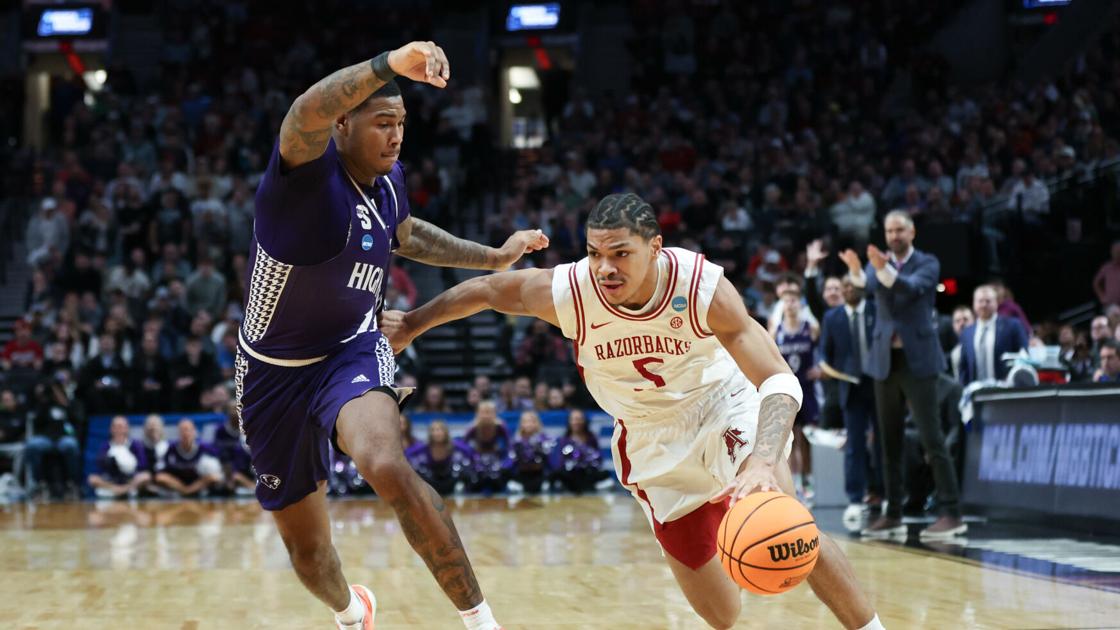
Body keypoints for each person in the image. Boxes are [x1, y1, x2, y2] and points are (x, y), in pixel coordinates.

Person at [384, 193, 883, 630]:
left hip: (722, 408)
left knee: (790, 526)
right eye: (595, 253)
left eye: (620, 253)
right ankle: (717, 517)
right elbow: (490, 292)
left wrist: (762, 457)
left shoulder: (699, 286)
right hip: (651, 443)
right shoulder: (572, 291)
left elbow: (778, 378)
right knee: (722, 613)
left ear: (655, 248)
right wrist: (412, 322)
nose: (605, 268)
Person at [234, 41, 546, 630]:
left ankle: (481, 621)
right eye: (382, 123)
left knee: (384, 462)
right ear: (344, 124)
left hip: (351, 350)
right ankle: (354, 613)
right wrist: (388, 64)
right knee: (307, 550)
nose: (396, 136)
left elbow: (408, 234)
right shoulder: (300, 181)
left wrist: (494, 259)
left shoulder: (388, 181)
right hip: (270, 373)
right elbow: (304, 111)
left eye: (401, 123)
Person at [839, 210, 965, 539]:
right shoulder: (877, 263)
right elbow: (865, 288)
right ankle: (892, 512)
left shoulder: (927, 262)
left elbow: (908, 288)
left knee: (931, 438)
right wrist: (855, 271)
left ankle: (952, 512)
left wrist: (880, 269)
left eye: (899, 230)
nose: (893, 236)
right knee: (888, 441)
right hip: (884, 361)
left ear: (912, 233)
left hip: (918, 361)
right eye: (889, 230)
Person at [820, 278, 882, 523]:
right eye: (844, 287)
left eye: (852, 286)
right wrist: (825, 366)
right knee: (854, 445)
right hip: (850, 386)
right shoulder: (832, 317)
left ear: (861, 287)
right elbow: (825, 351)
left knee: (883, 443)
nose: (848, 290)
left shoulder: (876, 309)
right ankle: (855, 498)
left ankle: (884, 495)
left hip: (878, 383)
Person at [772, 282, 820, 503]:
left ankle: (808, 481)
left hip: (808, 391)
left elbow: (825, 346)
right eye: (786, 300)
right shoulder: (776, 330)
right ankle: (794, 483)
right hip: (787, 389)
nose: (790, 304)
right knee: (789, 439)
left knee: (806, 439)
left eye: (793, 299)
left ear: (799, 303)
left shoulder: (809, 327)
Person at [958, 285, 1029, 386]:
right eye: (980, 301)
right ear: (974, 303)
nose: (984, 305)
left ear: (996, 303)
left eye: (988, 301)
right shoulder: (967, 332)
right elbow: (963, 366)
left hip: (1005, 388)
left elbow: (1023, 356)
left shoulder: (1012, 326)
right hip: (976, 391)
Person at [153, 418, 223, 496]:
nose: (186, 433)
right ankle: (184, 492)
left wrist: (190, 489)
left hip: (198, 486)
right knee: (161, 478)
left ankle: (191, 492)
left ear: (194, 432)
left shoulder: (205, 448)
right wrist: (184, 489)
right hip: (177, 486)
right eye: (182, 430)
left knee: (214, 477)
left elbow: (216, 476)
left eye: (188, 430)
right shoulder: (169, 448)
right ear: (178, 433)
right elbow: (160, 475)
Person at [88, 415, 152, 498]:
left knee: (146, 476)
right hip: (112, 480)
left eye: (121, 427)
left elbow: (143, 465)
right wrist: (112, 464)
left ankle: (122, 491)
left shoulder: (136, 444)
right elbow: (100, 466)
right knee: (92, 479)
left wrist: (127, 466)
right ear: (111, 429)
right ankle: (121, 490)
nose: (118, 430)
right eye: (115, 427)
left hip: (130, 479)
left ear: (127, 429)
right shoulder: (106, 446)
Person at [548, 409, 605, 494]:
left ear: (584, 421)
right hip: (570, 475)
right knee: (555, 475)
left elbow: (598, 459)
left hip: (587, 474)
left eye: (579, 419)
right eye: (574, 419)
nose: (576, 422)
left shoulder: (591, 438)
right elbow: (560, 462)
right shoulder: (564, 440)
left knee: (605, 475)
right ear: (569, 422)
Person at [1093, 240, 1120, 307]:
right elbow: (1096, 283)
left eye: (1118, 252)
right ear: (1111, 252)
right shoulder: (1106, 268)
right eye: (1115, 252)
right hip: (1111, 305)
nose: (1117, 254)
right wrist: (1102, 297)